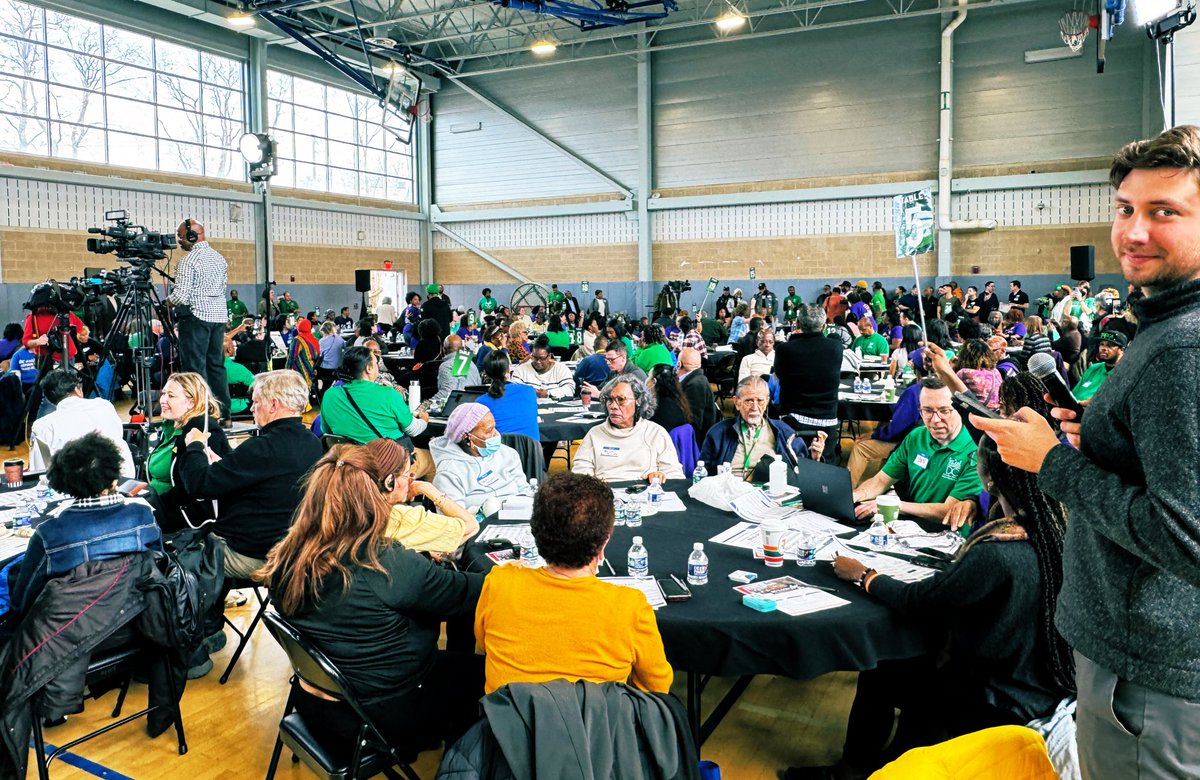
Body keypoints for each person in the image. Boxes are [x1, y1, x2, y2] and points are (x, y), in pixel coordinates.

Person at [804, 430, 1074, 780]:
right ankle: (886, 761)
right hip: (1043, 687)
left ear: (990, 480)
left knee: (882, 669)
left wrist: (864, 575)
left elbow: (919, 600)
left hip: (993, 695)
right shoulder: (1060, 531)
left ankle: (854, 769)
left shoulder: (998, 553)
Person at [259, 441, 484, 755]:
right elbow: (470, 592)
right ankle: (460, 766)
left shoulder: (292, 550)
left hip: (315, 701)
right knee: (486, 676)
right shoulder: (383, 562)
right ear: (380, 487)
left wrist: (415, 565)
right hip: (376, 714)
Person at [475, 472, 673, 694]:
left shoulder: (499, 582)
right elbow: (656, 688)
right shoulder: (629, 607)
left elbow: (484, 644)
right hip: (597, 726)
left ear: (535, 532)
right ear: (604, 541)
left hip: (507, 724)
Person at [8, 433, 162, 617]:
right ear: (114, 480)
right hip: (132, 618)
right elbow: (158, 569)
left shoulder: (48, 535)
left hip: (68, 633)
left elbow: (22, 603)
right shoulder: (142, 516)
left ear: (64, 485)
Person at [852, 377, 982, 525]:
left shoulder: (975, 450)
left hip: (948, 535)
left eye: (944, 411)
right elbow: (881, 480)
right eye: (927, 411)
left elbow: (949, 511)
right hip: (911, 526)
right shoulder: (916, 436)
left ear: (960, 411)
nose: (935, 420)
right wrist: (857, 494)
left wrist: (897, 505)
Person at [146, 372, 231, 532]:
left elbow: (195, 486)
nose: (163, 400)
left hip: (186, 519)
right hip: (163, 507)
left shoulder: (203, 431)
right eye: (163, 393)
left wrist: (151, 503)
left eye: (170, 395)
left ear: (191, 402)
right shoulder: (171, 427)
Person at [169, 219, 230, 419]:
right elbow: (222, 288)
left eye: (181, 236)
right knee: (216, 366)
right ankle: (224, 415)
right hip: (218, 316)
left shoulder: (188, 261)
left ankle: (201, 415)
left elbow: (181, 296)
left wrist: (167, 302)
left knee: (195, 368)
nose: (179, 241)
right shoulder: (220, 258)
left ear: (192, 236)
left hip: (196, 317)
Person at [572, 375, 683, 483]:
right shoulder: (595, 434)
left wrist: (661, 476)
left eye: (621, 399)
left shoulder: (655, 433)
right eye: (609, 399)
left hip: (645, 494)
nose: (613, 406)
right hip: (605, 494)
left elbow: (674, 474)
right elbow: (580, 473)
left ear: (638, 401)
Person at [700, 377, 818, 478]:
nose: (755, 407)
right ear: (737, 403)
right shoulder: (718, 433)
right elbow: (703, 473)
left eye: (760, 401)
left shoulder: (783, 431)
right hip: (729, 491)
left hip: (771, 492)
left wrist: (815, 458)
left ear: (767, 401)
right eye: (749, 401)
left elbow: (803, 472)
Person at [379, 438, 479, 556]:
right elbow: (471, 525)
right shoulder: (402, 517)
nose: (412, 480)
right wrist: (428, 489)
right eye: (407, 474)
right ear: (389, 482)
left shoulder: (358, 501)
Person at [28, 369, 135, 477]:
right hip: (120, 480)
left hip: (72, 488)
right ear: (77, 390)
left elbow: (38, 471)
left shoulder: (43, 425)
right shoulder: (105, 406)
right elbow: (117, 436)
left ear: (51, 399)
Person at [431, 402, 533, 509]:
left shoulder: (508, 454)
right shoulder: (449, 472)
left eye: (495, 427)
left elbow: (524, 492)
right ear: (467, 438)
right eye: (489, 431)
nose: (496, 434)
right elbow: (456, 520)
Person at [775, 304, 843, 462]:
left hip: (792, 421)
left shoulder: (784, 350)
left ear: (798, 324)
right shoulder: (835, 347)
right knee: (824, 471)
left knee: (792, 466)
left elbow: (778, 376)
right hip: (828, 422)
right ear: (824, 325)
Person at [322, 346, 429, 444]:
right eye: (376, 363)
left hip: (349, 459)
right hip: (387, 460)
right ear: (369, 368)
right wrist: (424, 419)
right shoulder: (389, 394)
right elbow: (413, 430)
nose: (378, 367)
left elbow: (327, 431)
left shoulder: (329, 395)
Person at [846, 359, 927, 487]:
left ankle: (846, 490)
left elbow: (896, 429)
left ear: (916, 371)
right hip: (923, 442)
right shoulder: (938, 388)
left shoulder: (913, 391)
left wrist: (873, 435)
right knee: (882, 427)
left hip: (907, 444)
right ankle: (881, 485)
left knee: (860, 447)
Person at [477, 349, 539, 440]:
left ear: (485, 373)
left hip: (500, 452)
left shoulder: (481, 402)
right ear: (509, 369)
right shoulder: (529, 391)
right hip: (531, 452)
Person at [510, 336, 574, 399]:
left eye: (542, 358)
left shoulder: (561, 369)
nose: (538, 361)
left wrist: (549, 393)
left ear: (549, 356)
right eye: (535, 358)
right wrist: (530, 392)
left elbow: (570, 389)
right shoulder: (521, 370)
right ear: (531, 355)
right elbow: (513, 390)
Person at [578, 338, 645, 399]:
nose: (608, 363)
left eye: (612, 360)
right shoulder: (613, 372)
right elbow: (602, 388)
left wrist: (599, 395)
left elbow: (625, 399)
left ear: (623, 358)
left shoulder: (635, 375)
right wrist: (590, 390)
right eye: (607, 359)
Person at [677, 346, 718, 443]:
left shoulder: (695, 384)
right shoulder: (697, 379)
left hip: (696, 442)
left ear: (679, 364)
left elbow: (693, 420)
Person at [1072, 328, 1126, 401]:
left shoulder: (1124, 375)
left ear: (1121, 350)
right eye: (1101, 344)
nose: (1103, 348)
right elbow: (1074, 394)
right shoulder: (1094, 368)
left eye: (1109, 345)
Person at [432, 334, 482, 410]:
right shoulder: (471, 364)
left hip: (456, 410)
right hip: (473, 408)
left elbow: (447, 393)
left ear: (443, 349)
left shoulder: (447, 365)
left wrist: (427, 404)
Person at [954, 338, 1003, 411]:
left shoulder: (964, 373)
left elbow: (949, 389)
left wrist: (951, 368)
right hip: (994, 413)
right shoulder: (996, 372)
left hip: (975, 414)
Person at [646, 363, 692, 433]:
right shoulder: (678, 401)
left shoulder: (659, 409)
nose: (646, 380)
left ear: (653, 382)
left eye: (648, 376)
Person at [286, 316, 319, 397]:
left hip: (305, 371)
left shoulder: (298, 339)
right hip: (313, 369)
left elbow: (292, 356)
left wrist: (286, 370)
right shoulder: (313, 338)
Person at [223, 339, 255, 415]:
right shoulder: (239, 368)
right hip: (240, 407)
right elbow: (256, 385)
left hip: (215, 408)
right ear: (229, 350)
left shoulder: (206, 369)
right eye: (233, 346)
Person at [315, 321, 345, 402]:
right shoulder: (339, 338)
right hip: (337, 369)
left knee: (325, 385)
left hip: (325, 370)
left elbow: (318, 354)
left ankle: (321, 398)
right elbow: (345, 348)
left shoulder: (321, 341)